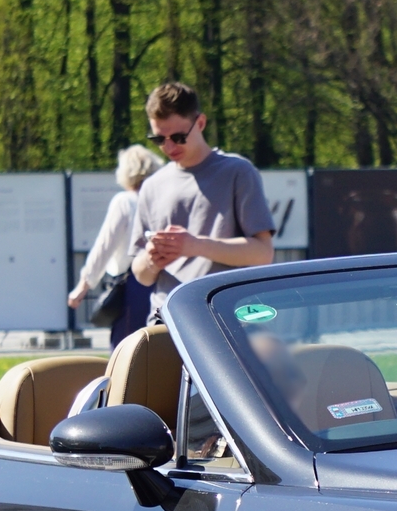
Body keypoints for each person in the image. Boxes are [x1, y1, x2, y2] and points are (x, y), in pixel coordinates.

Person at [134, 84, 276, 319]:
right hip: (167, 318)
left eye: (178, 137)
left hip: (227, 314)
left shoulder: (238, 172)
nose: (168, 147)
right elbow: (141, 274)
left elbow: (263, 253)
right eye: (158, 138)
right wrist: (152, 259)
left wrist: (194, 245)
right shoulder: (152, 185)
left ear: (200, 123)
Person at [70, 144, 164, 346]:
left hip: (131, 285)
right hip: (161, 283)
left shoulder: (125, 201)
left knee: (127, 350)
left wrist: (84, 283)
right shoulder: (161, 201)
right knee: (156, 346)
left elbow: (104, 245)